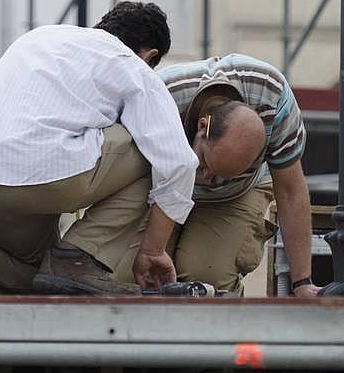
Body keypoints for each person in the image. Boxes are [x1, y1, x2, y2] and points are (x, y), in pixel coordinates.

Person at [0, 1, 198, 297]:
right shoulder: (132, 65)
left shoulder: (39, 38)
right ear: (150, 55)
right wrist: (152, 250)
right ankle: (79, 258)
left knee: (44, 276)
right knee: (152, 150)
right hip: (41, 175)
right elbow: (179, 164)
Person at [111, 53, 321, 298]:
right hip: (159, 189)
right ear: (202, 127)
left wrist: (303, 283)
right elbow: (118, 170)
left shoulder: (274, 101)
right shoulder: (161, 96)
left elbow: (290, 191)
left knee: (207, 279)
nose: (209, 179)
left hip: (238, 193)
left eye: (225, 174)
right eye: (205, 164)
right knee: (132, 277)